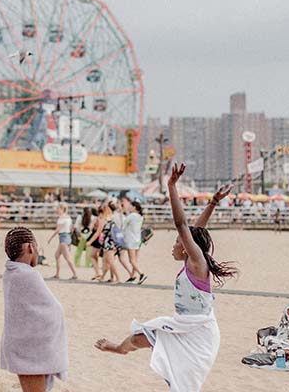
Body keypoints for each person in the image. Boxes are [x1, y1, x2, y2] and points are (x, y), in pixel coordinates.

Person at [94, 163, 236, 392]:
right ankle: (119, 348)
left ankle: (120, 348)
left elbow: (182, 226)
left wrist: (171, 186)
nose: (173, 246)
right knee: (142, 336)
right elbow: (194, 229)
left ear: (187, 246)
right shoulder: (192, 260)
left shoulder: (197, 263)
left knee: (183, 384)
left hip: (198, 332)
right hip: (181, 323)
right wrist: (213, 203)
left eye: (177, 242)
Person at [0, 227, 68, 391]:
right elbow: (47, 309)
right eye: (37, 247)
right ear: (31, 247)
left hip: (21, 345)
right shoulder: (27, 275)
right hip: (29, 349)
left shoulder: (11, 273)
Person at [46, 204, 77, 280]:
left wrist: (50, 238)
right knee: (57, 255)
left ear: (62, 209)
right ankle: (57, 274)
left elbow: (58, 230)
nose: (57, 210)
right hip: (67, 237)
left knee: (67, 258)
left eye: (58, 208)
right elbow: (71, 229)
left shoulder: (61, 218)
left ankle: (75, 274)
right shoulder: (68, 217)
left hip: (63, 238)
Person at [122, 200, 145, 284]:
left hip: (131, 240)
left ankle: (141, 274)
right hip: (138, 239)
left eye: (130, 206)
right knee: (135, 260)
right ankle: (132, 276)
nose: (129, 207)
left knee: (131, 260)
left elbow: (123, 225)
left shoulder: (131, 216)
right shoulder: (140, 216)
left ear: (134, 207)